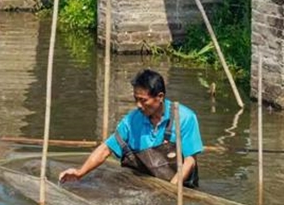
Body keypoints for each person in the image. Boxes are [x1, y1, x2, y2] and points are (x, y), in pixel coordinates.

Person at [59, 69, 203, 187]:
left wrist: (169, 190)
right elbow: (105, 149)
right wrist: (80, 172)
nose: (138, 105)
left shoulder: (184, 118)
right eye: (136, 99)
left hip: (181, 187)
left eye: (143, 100)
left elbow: (189, 161)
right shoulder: (132, 120)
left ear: (160, 97)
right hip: (144, 185)